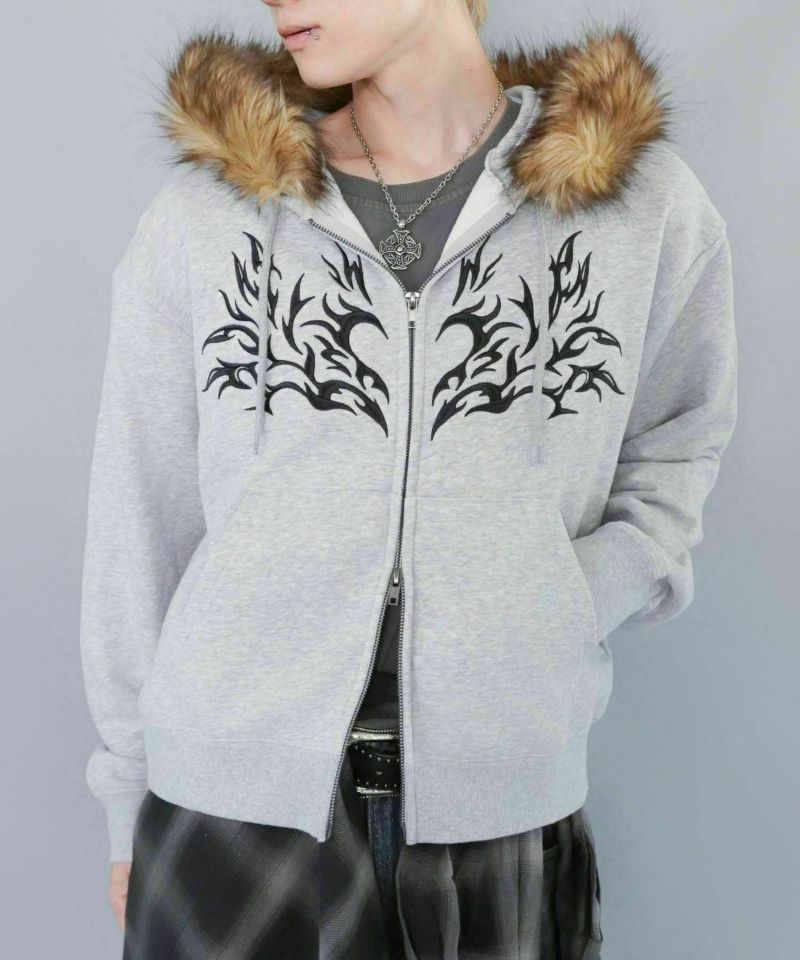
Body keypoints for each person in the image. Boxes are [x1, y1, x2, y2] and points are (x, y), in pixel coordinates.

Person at [78, 2, 738, 957]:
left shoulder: (642, 208)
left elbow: (680, 442)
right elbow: (137, 515)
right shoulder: (206, 217)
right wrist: (126, 794)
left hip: (500, 806)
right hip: (228, 810)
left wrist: (567, 596)